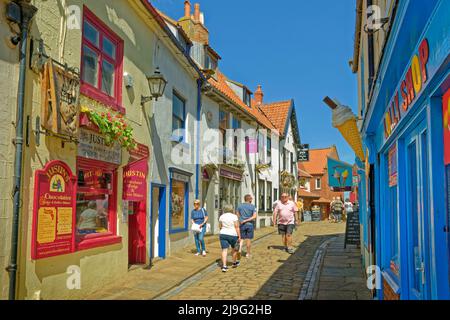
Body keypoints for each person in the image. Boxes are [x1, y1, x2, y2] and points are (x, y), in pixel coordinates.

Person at [219, 204, 241, 272]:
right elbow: (237, 227)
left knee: (224, 250)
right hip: (233, 234)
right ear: (232, 209)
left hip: (223, 234)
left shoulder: (221, 216)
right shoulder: (234, 216)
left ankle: (224, 266)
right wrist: (239, 236)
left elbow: (220, 226)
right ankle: (234, 262)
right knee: (234, 249)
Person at [236, 194, 257, 259]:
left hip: (242, 224)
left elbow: (237, 214)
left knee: (241, 238)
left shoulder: (240, 206)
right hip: (250, 225)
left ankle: (239, 250)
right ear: (250, 199)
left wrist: (241, 220)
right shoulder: (253, 206)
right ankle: (248, 254)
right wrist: (246, 220)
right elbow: (254, 216)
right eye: (251, 199)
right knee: (248, 239)